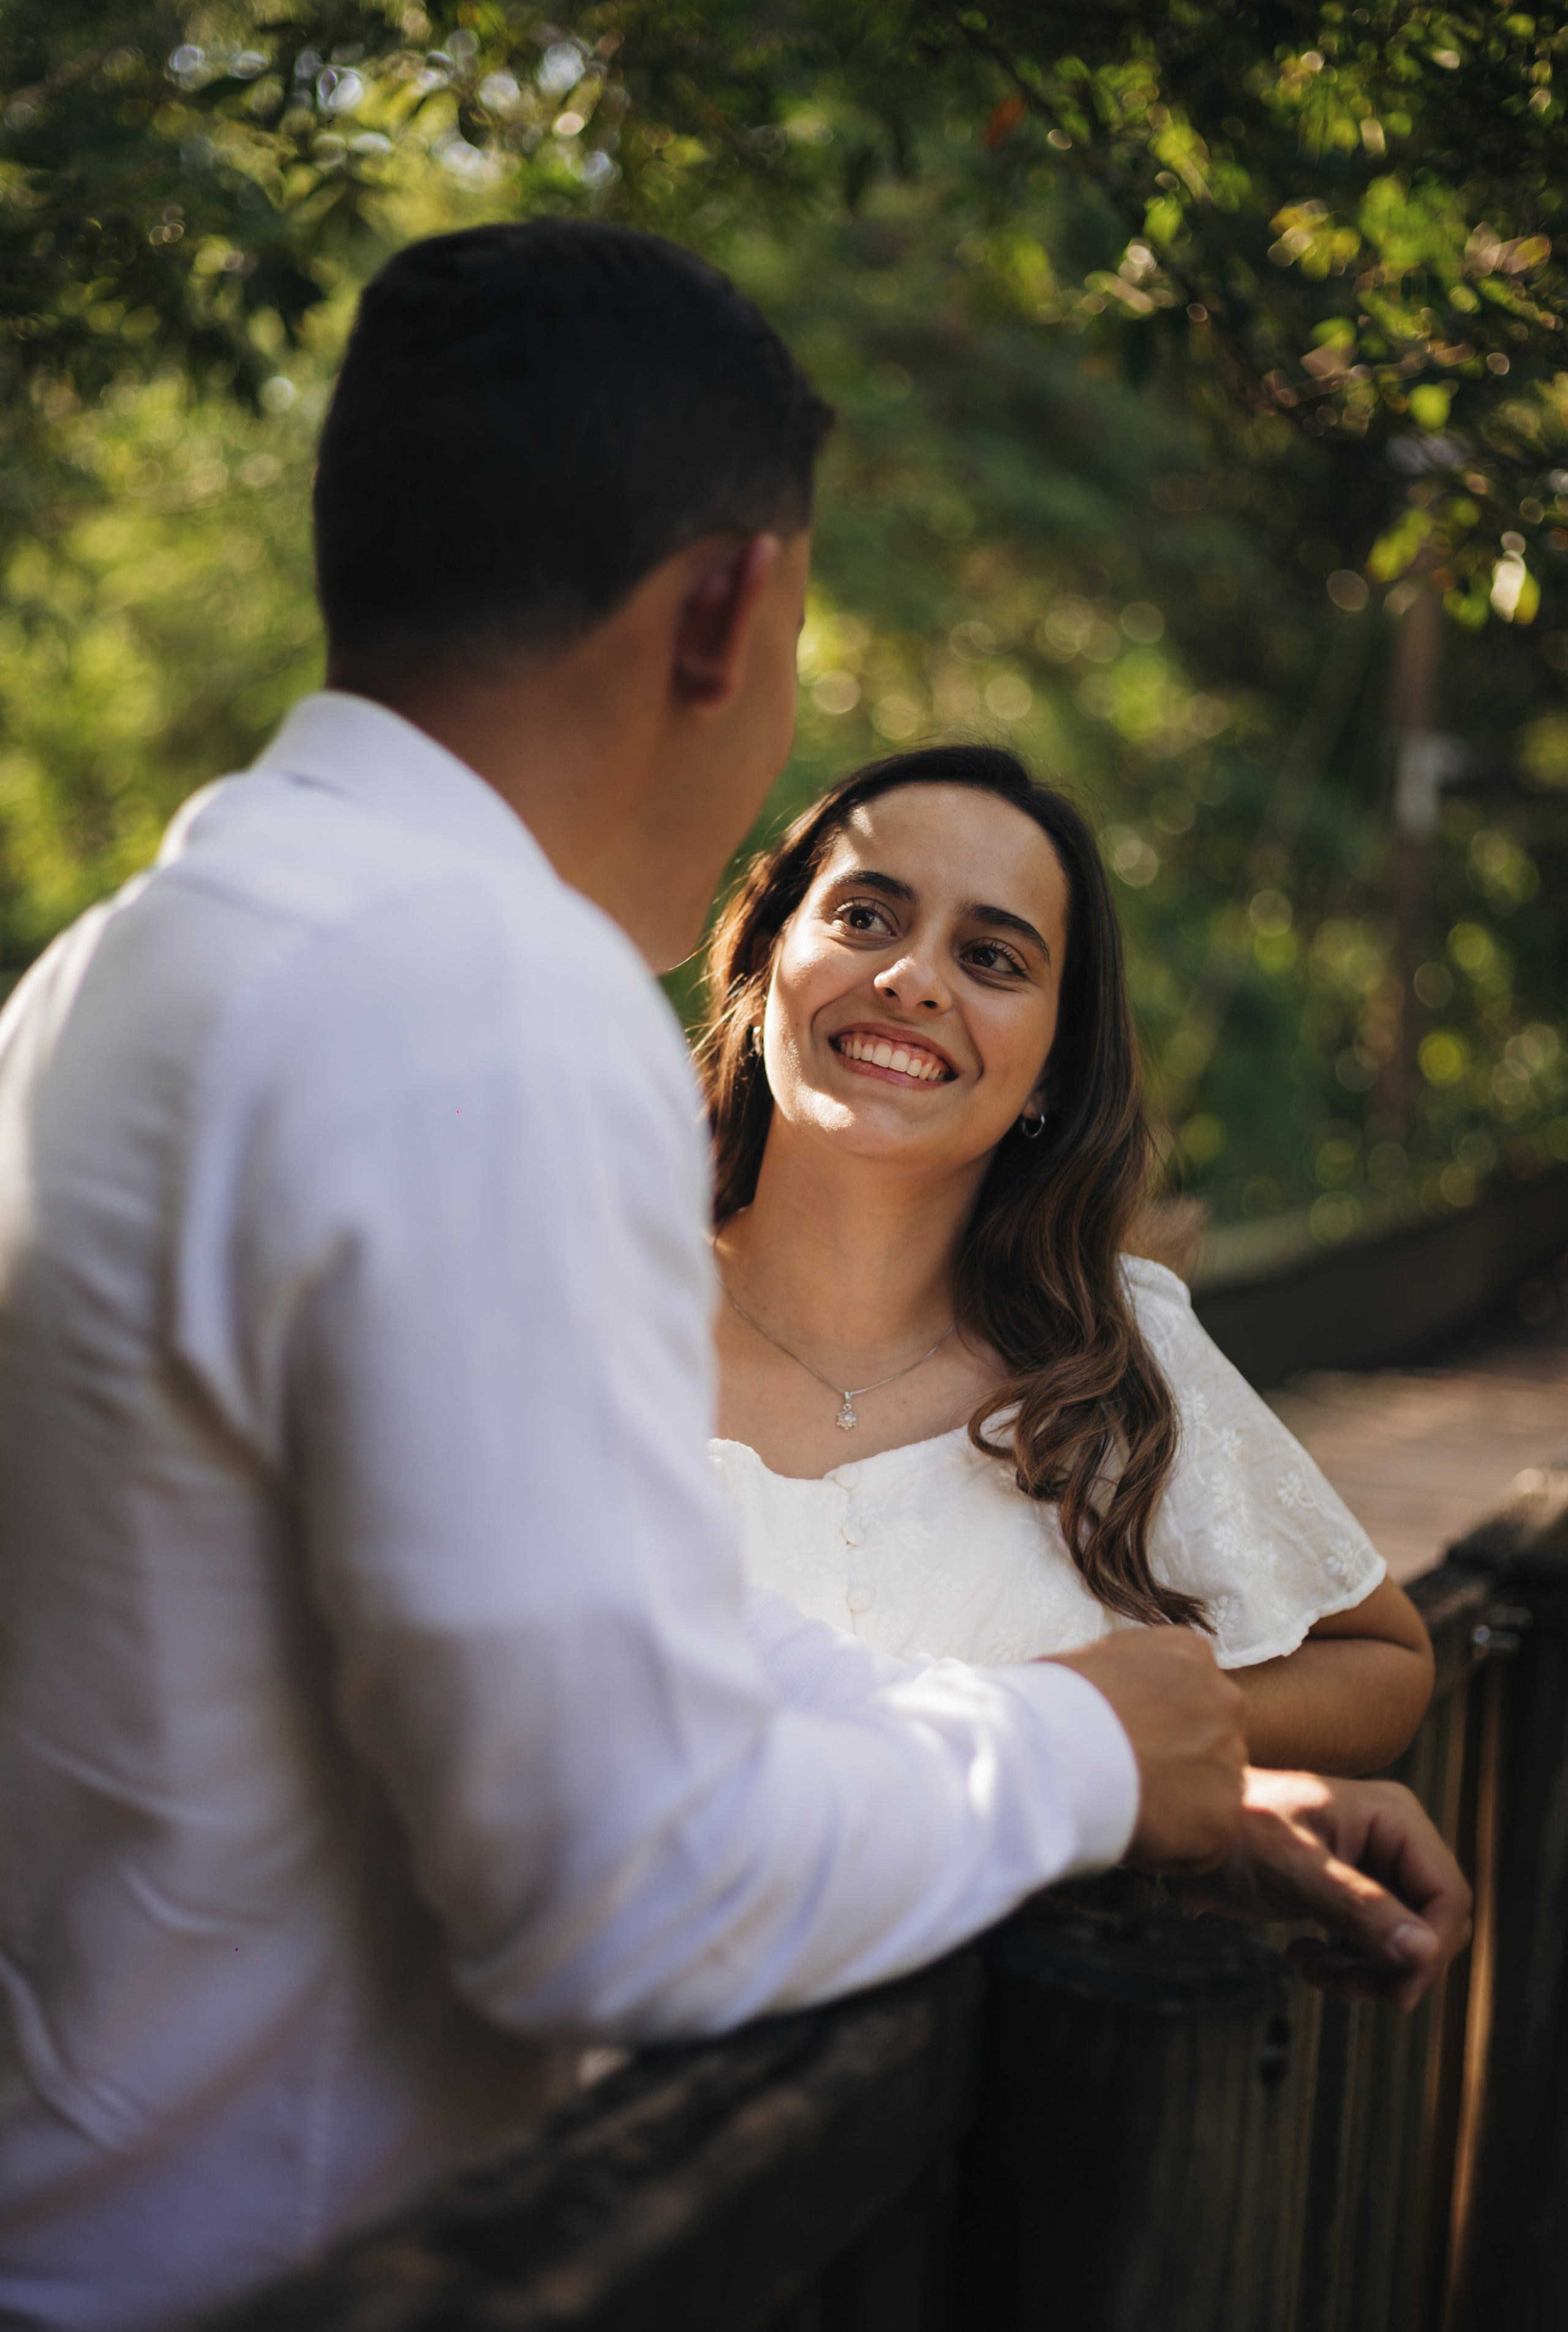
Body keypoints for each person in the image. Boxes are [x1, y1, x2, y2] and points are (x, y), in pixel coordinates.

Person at [0, 222, 1465, 2332]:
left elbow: (601, 1654)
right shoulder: (497, 998)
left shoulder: (123, 962)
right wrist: (1071, 1763)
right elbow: (607, 1886)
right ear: (728, 606)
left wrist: (1152, 1763)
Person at [706, 744, 1435, 1774]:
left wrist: (1096, 1731)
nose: (912, 980)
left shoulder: (1116, 1351)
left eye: (993, 957)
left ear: (1051, 1069)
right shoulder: (573, 1313)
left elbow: (1381, 1664)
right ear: (765, 962)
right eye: (866, 916)